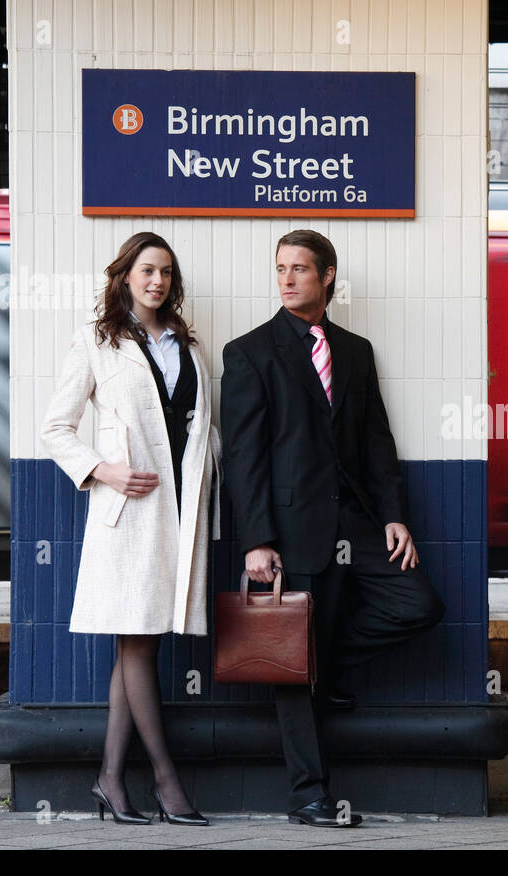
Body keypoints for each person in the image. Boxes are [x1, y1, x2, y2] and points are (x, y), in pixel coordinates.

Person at [221, 229, 444, 828]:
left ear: (327, 277)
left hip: (358, 520)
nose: (288, 278)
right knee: (290, 661)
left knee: (418, 603)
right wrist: (256, 540)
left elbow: (377, 441)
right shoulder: (249, 353)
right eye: (280, 268)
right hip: (290, 529)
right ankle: (309, 796)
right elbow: (244, 457)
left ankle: (332, 664)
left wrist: (395, 515)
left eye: (300, 268)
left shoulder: (355, 350)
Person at [40, 231, 220, 826]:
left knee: (136, 642)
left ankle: (110, 781)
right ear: (124, 277)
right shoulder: (97, 341)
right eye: (146, 270)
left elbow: (200, 433)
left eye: (166, 271)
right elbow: (55, 428)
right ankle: (167, 782)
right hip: (128, 516)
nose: (157, 281)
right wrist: (105, 471)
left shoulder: (189, 348)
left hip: (178, 513)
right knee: (137, 640)